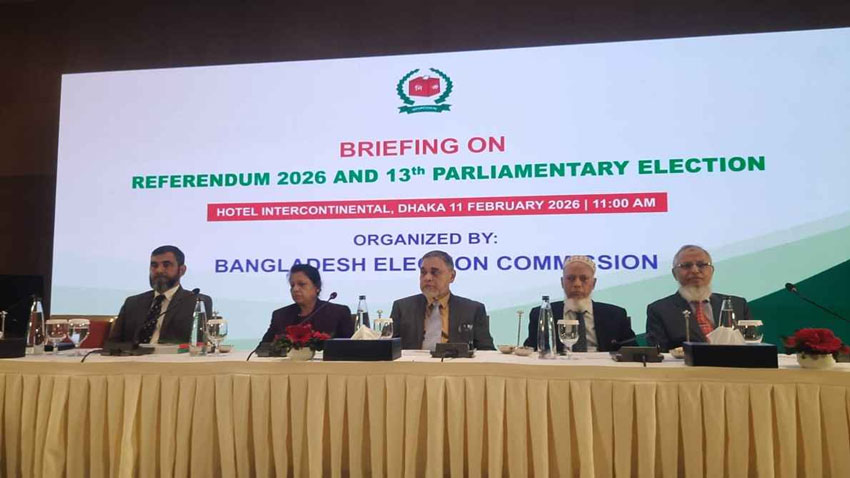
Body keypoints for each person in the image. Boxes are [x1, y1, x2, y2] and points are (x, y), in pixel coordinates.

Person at [646, 244, 753, 351]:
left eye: (701, 265)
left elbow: (752, 346)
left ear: (711, 271)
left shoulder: (738, 304)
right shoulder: (659, 310)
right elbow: (658, 354)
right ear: (674, 274)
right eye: (686, 266)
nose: (695, 270)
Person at [524, 255, 636, 352]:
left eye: (583, 279)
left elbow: (633, 352)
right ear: (562, 282)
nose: (577, 284)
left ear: (593, 283)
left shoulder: (615, 315)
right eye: (571, 278)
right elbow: (532, 351)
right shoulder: (542, 314)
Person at [390, 250, 495, 350]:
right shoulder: (402, 307)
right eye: (423, 272)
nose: (427, 278)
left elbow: (486, 351)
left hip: (455, 362)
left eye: (434, 272)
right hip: (411, 363)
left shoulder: (472, 310)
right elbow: (388, 346)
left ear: (452, 276)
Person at [108, 245, 213, 344]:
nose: (159, 270)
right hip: (133, 356)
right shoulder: (132, 303)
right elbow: (113, 344)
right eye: (154, 265)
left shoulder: (196, 302)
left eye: (166, 265)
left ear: (182, 270)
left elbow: (200, 343)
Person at [260, 263, 353, 342]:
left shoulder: (338, 313)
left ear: (317, 287)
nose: (295, 289)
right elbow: (262, 349)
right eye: (292, 285)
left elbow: (349, 349)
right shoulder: (280, 316)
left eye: (301, 284)